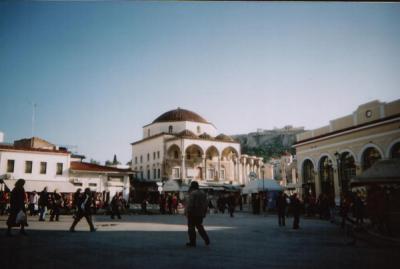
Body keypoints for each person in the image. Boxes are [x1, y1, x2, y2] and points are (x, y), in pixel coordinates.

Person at [185, 181, 210, 247]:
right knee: (199, 226)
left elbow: (190, 204)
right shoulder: (203, 193)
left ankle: (192, 242)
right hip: (200, 213)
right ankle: (206, 238)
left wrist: (188, 211)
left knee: (191, 227)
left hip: (193, 213)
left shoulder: (193, 193)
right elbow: (206, 204)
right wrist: (204, 212)